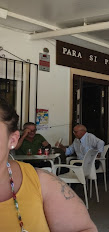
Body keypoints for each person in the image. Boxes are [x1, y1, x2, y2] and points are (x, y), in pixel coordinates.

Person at [0, 98, 97, 231]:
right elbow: (16, 148)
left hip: (38, 164)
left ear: (12, 139)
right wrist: (24, 136)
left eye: (34, 130)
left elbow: (49, 147)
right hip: (23, 160)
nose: (33, 133)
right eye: (30, 131)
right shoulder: (22, 140)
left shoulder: (41, 182)